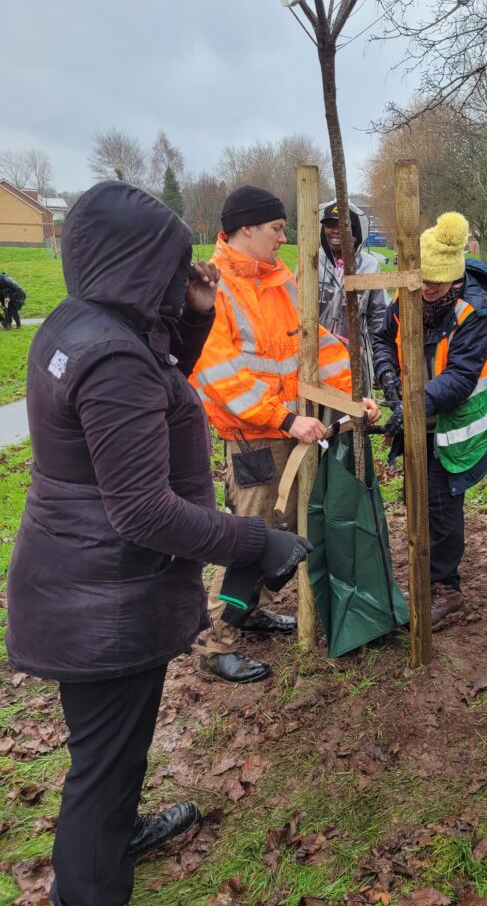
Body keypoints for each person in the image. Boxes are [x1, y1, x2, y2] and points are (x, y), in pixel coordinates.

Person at [5, 181, 310, 906]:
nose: (185, 278)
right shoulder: (112, 361)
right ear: (138, 264)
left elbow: (162, 370)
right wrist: (254, 543)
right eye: (173, 266)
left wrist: (195, 317)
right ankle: (90, 883)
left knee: (110, 749)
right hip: (101, 596)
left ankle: (117, 832)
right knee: (103, 761)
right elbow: (142, 510)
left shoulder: (82, 325)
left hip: (82, 575)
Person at [191, 185, 380, 683]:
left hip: (288, 431)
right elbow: (219, 375)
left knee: (278, 535)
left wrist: (350, 396)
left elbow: (315, 345)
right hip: (253, 437)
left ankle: (249, 615)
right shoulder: (217, 288)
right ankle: (217, 642)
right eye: (277, 228)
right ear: (247, 228)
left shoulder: (279, 280)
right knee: (249, 539)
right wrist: (284, 418)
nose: (284, 238)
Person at [372, 212, 487, 628]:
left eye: (436, 283)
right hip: (415, 418)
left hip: (452, 428)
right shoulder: (408, 295)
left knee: (442, 508)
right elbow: (382, 338)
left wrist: (409, 405)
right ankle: (424, 569)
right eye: (422, 280)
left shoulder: (474, 313)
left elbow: (460, 379)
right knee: (417, 498)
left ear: (455, 278)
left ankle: (447, 587)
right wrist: (388, 374)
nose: (427, 289)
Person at [316, 201, 387, 395]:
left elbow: (378, 318)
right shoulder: (311, 262)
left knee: (353, 417)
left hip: (352, 359)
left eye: (343, 226)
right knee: (317, 419)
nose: (335, 231)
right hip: (315, 359)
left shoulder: (369, 267)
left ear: (355, 233)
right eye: (330, 225)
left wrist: (382, 363)